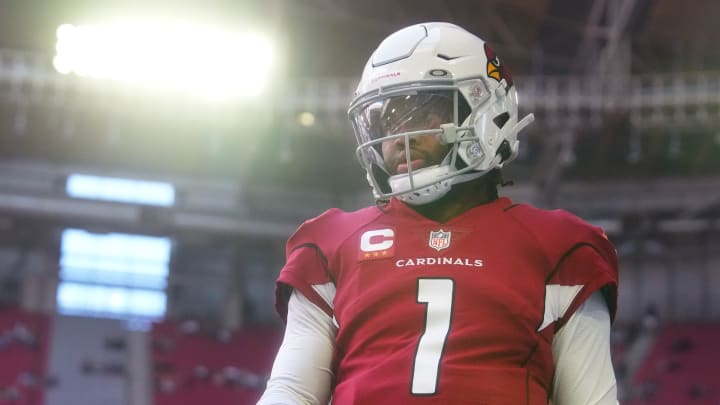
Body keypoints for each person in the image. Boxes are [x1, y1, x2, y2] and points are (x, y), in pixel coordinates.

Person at [257, 22, 619, 405]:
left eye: (420, 116)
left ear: (485, 110)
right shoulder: (329, 243)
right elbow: (292, 390)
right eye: (385, 122)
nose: (396, 139)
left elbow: (592, 400)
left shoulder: (559, 247)